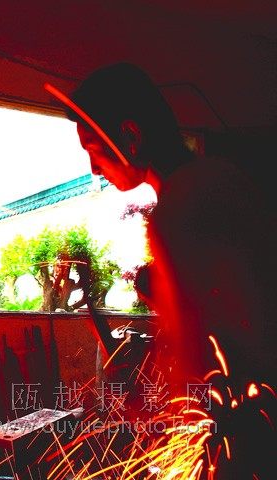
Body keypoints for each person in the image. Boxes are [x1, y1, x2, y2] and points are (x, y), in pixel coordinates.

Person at [64, 62, 277, 391]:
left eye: (93, 149)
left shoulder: (177, 209)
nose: (93, 168)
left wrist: (145, 401)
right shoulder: (222, 175)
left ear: (130, 136)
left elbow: (194, 362)